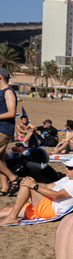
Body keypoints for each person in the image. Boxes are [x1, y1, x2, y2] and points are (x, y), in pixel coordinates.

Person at [0, 157, 73, 225]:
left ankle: (12, 217)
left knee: (29, 186)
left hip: (50, 209)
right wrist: (31, 181)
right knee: (6, 210)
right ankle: (12, 215)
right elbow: (48, 186)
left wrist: (34, 185)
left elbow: (57, 195)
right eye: (66, 166)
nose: (66, 169)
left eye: (70, 168)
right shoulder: (67, 179)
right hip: (44, 204)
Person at [0, 68, 19, 196]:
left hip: (4, 129)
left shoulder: (8, 92)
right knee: (1, 160)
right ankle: (4, 188)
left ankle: (13, 178)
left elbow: (12, 112)